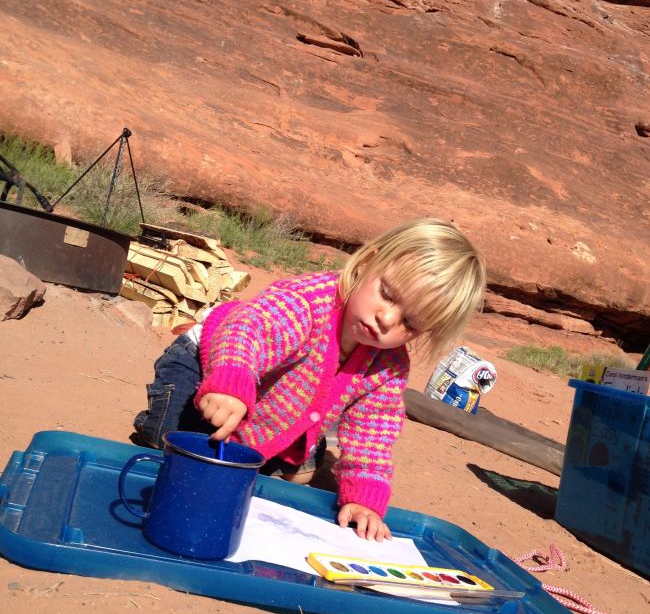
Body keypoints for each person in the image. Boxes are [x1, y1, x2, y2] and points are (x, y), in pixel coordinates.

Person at [132, 218, 486, 541]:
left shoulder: (389, 366)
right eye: (388, 295)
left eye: (409, 323)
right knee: (181, 448)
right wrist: (232, 381)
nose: (387, 319)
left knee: (284, 473)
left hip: (282, 397)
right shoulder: (309, 301)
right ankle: (159, 423)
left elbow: (373, 436)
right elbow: (248, 329)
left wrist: (364, 500)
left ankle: (283, 444)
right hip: (210, 364)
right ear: (367, 263)